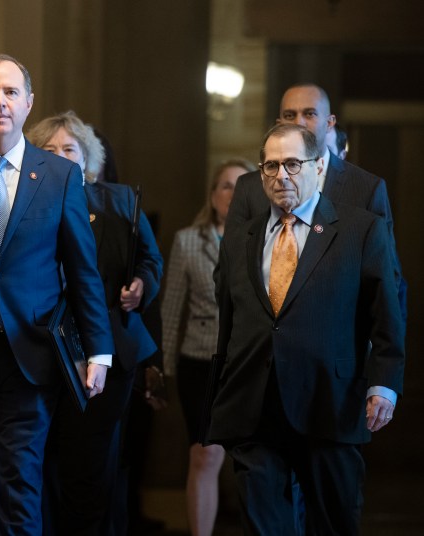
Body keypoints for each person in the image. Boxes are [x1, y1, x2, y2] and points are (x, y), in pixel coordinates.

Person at [0, 56, 114, 536]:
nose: (0, 102)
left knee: (21, 480)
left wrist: (99, 348)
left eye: (10, 92)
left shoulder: (58, 176)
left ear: (28, 103)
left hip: (33, 353)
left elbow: (82, 270)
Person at [207, 123, 405, 534]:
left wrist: (383, 383)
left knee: (332, 524)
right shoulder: (241, 236)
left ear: (319, 168)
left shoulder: (359, 229)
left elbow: (385, 311)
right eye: (271, 166)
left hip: (328, 405)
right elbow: (230, 317)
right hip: (254, 408)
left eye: (293, 164)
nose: (282, 176)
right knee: (264, 525)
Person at [27, 111, 164, 535]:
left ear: (88, 158)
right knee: (43, 464)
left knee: (95, 465)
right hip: (40, 349)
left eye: (70, 149)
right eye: (50, 150)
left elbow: (150, 260)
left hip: (109, 347)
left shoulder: (120, 201)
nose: (61, 157)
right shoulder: (22, 203)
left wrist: (141, 285)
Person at [226, 83, 406, 319]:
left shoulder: (366, 188)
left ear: (329, 122)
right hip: (263, 343)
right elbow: (228, 273)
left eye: (309, 114)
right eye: (290, 115)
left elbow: (386, 279)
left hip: (336, 341)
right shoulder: (250, 186)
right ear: (279, 123)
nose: (299, 122)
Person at [160, 158, 256, 536]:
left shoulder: (267, 237)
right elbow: (171, 309)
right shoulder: (188, 240)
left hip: (249, 361)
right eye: (225, 186)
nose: (232, 193)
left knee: (255, 458)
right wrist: (162, 370)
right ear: (213, 195)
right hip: (200, 360)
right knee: (204, 454)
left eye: (240, 185)